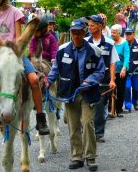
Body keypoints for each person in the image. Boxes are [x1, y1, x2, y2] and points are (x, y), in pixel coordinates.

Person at [0, 0, 49, 135]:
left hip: (13, 54)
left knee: (33, 79)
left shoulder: (16, 13)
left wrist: (16, 51)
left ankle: (40, 117)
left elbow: (19, 37)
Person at [46, 18, 105, 171]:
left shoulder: (95, 51)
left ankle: (90, 157)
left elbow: (100, 71)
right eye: (73, 33)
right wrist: (48, 81)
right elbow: (55, 69)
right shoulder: (62, 51)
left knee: (87, 123)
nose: (76, 36)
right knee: (73, 126)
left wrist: (90, 81)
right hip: (70, 94)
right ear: (70, 33)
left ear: (85, 32)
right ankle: (77, 156)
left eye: (79, 33)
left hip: (88, 94)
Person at [86, 15, 119, 143]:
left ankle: (98, 133)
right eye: (89, 25)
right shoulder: (85, 42)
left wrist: (112, 80)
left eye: (92, 25)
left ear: (100, 26)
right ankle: (87, 130)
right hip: (87, 81)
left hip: (103, 81)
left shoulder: (109, 43)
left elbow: (112, 63)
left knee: (100, 108)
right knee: (87, 106)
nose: (89, 27)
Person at [124, 28, 138, 111]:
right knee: (126, 88)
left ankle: (135, 101)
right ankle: (127, 106)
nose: (128, 35)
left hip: (137, 71)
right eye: (126, 34)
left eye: (130, 34)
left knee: (137, 88)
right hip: (126, 71)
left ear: (134, 34)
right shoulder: (123, 43)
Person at [109, 24, 130, 117]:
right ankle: (110, 109)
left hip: (121, 70)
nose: (112, 34)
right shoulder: (109, 40)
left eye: (114, 33)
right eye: (111, 32)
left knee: (121, 90)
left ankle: (119, 109)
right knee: (110, 90)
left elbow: (126, 56)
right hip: (111, 70)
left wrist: (124, 68)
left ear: (119, 33)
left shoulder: (124, 43)